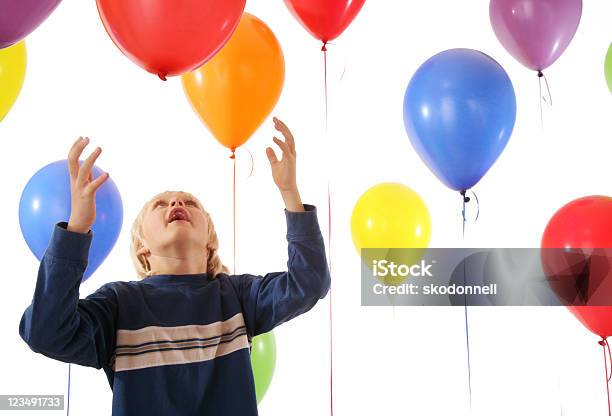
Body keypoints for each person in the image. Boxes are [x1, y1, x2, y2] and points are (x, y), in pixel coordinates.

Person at [18, 117, 331, 415]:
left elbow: (309, 282)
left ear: (210, 239)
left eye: (189, 203)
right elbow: (45, 333)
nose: (177, 205)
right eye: (162, 204)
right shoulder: (118, 305)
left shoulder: (238, 296)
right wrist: (76, 229)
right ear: (142, 246)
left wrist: (290, 193)